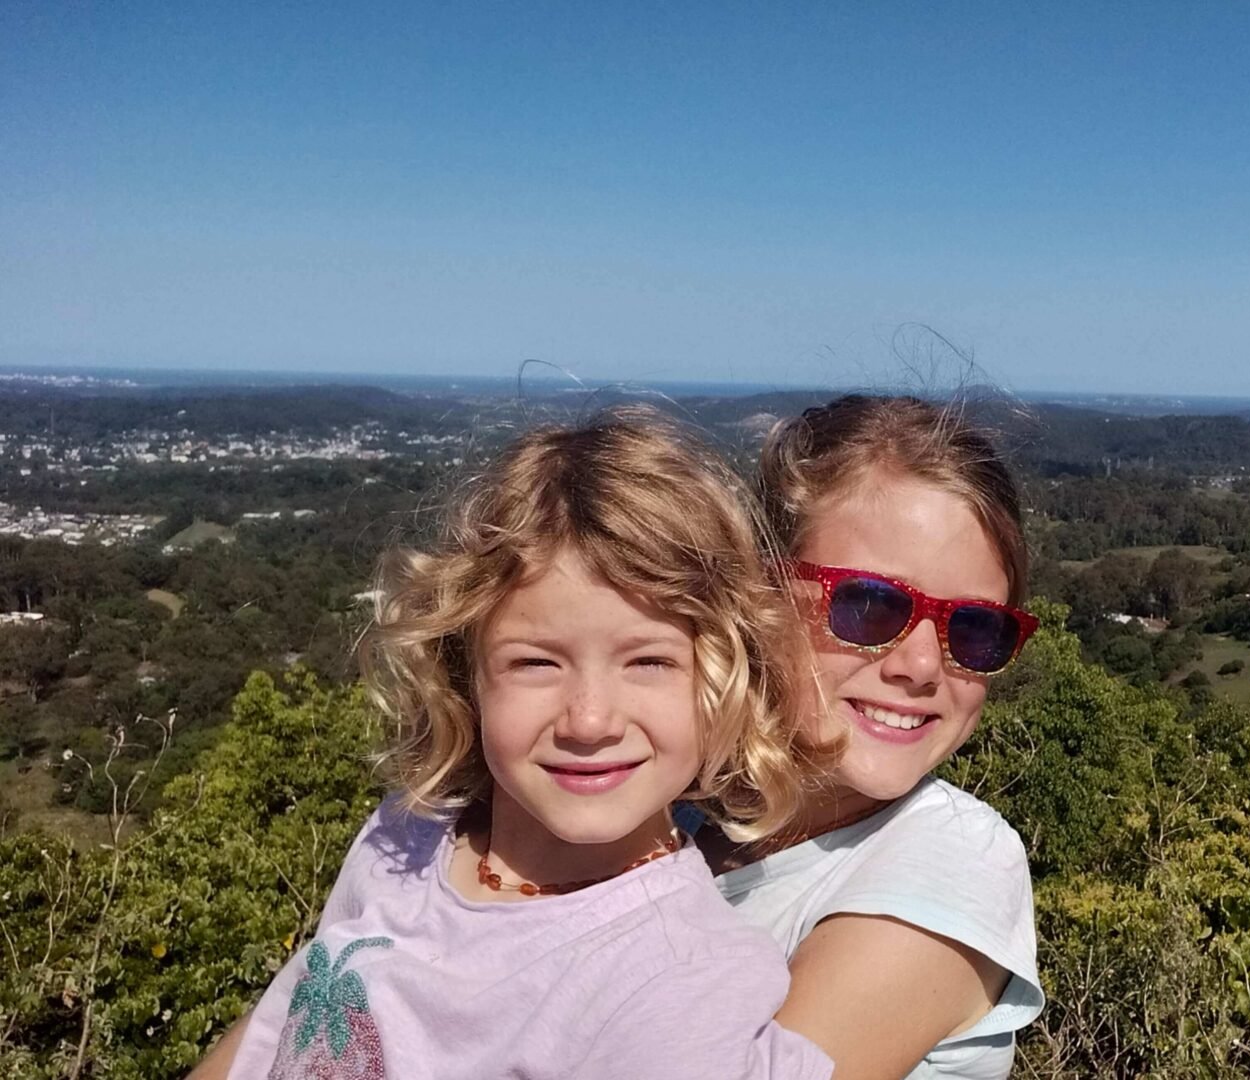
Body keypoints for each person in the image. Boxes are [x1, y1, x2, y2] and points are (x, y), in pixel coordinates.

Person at [190, 408, 833, 1079]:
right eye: (535, 663)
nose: (589, 721)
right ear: (467, 675)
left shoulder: (684, 984)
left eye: (649, 662)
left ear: (727, 681)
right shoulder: (402, 840)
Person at [684, 394, 1046, 1080]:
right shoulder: (675, 808)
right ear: (760, 596)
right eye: (869, 605)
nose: (920, 667)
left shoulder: (954, 859)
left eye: (974, 628)